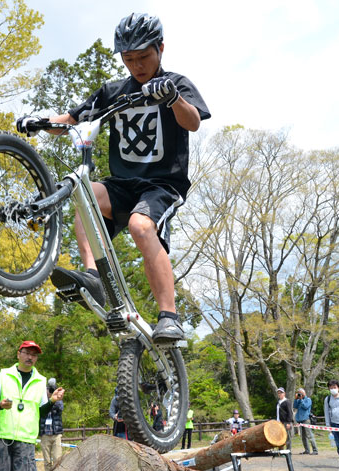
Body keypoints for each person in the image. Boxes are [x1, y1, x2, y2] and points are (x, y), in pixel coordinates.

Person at [19, 13, 210, 343]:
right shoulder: (113, 92)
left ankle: (169, 316)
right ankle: (92, 275)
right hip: (122, 184)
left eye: (143, 57)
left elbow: (192, 122)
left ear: (160, 49)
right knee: (84, 191)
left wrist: (173, 98)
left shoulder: (176, 83)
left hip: (162, 185)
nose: (136, 66)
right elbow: (71, 120)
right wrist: (40, 122)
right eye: (129, 59)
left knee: (140, 226)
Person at [0, 341, 65, 471]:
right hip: (2, 438)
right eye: (27, 353)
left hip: (26, 440)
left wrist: (52, 401)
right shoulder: (3, 375)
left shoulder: (41, 381)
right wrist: (0, 405)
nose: (30, 357)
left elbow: (41, 412)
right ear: (18, 354)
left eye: (34, 355)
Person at [39, 378, 64, 471]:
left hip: (56, 433)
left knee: (58, 459)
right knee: (47, 461)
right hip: (45, 434)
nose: (50, 391)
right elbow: (39, 410)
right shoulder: (42, 397)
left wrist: (54, 399)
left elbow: (60, 408)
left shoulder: (58, 397)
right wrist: (47, 398)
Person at [294, 387, 318, 455]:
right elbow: (295, 406)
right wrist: (296, 399)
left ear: (304, 393)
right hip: (300, 420)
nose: (299, 394)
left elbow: (305, 406)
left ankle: (315, 450)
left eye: (300, 393)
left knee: (309, 435)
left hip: (306, 420)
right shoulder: (298, 400)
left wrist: (301, 400)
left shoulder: (308, 399)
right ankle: (307, 450)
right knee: (303, 436)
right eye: (298, 393)